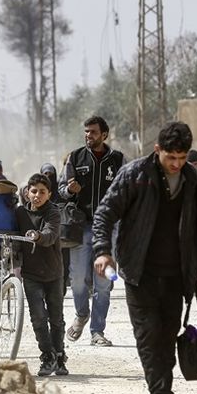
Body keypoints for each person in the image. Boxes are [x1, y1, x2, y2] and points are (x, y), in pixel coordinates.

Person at [92, 121, 197, 394]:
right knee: (148, 333)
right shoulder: (136, 175)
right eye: (171, 158)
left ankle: (162, 389)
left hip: (176, 274)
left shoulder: (193, 179)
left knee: (167, 334)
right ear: (157, 150)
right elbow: (105, 213)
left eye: (182, 158)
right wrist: (102, 251)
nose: (177, 164)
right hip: (139, 271)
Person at [59, 115, 125, 347]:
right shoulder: (75, 158)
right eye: (86, 132)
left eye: (93, 132)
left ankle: (97, 331)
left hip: (109, 229)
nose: (89, 136)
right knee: (77, 279)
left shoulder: (117, 160)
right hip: (81, 226)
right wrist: (69, 190)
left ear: (104, 135)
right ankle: (81, 314)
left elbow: (126, 192)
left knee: (104, 282)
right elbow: (60, 189)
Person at [15, 173, 67, 376]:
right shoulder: (19, 213)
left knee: (56, 318)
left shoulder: (53, 212)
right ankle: (47, 356)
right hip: (31, 274)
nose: (37, 195)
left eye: (42, 192)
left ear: (49, 194)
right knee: (38, 318)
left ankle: (60, 355)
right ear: (27, 192)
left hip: (54, 273)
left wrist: (37, 236)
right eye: (33, 191)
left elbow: (50, 235)